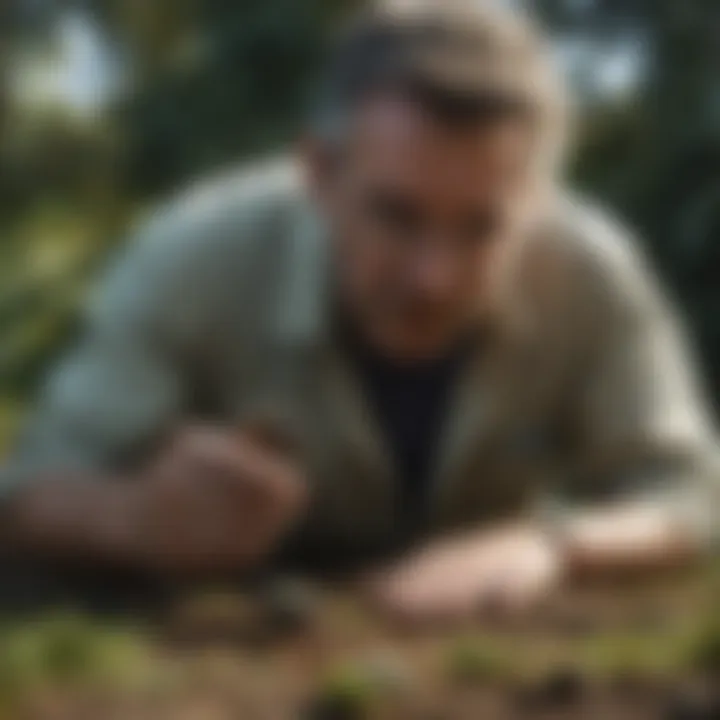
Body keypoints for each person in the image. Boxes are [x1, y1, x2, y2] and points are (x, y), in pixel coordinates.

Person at [1, 0, 718, 623]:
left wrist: (552, 543)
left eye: (482, 229)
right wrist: (138, 520)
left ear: (534, 201)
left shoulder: (593, 269)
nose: (433, 279)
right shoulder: (189, 258)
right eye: (396, 216)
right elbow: (29, 493)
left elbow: (691, 493)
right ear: (319, 173)